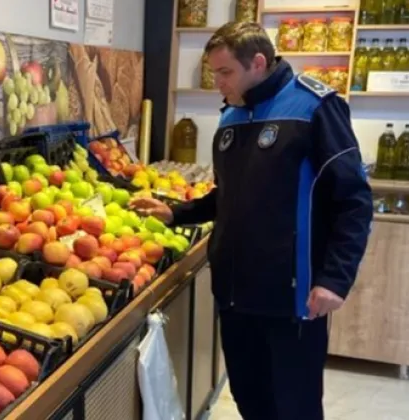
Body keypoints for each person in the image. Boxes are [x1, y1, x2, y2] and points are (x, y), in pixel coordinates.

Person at [129, 22, 373, 420]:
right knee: (251, 401)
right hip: (234, 295)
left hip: (292, 298)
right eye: (213, 74)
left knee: (294, 408)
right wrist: (177, 212)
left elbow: (355, 200)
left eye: (225, 73)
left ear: (258, 62)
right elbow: (229, 196)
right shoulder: (231, 117)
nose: (217, 83)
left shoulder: (315, 107)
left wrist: (335, 278)